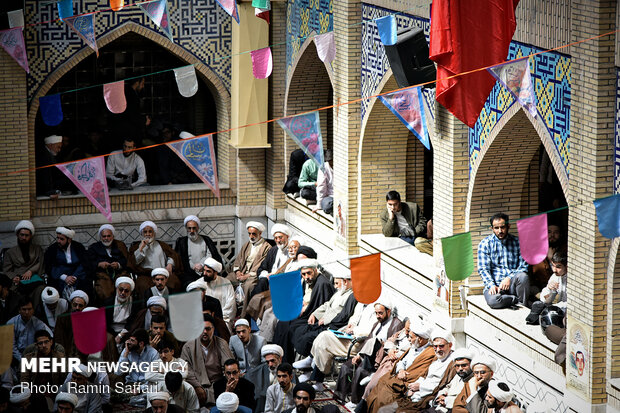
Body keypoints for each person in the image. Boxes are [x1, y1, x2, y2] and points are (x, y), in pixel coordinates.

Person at [308, 300, 402, 391]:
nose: (378, 316)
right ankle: (313, 359)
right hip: (358, 342)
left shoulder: (393, 323)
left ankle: (314, 365)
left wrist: (355, 331)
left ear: (388, 311)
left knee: (325, 339)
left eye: (380, 313)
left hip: (360, 343)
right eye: (376, 313)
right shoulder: (374, 316)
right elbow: (355, 318)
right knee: (324, 336)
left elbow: (371, 336)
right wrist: (351, 325)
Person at [362, 322, 436, 413]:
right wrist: (401, 370)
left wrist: (403, 375)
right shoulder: (413, 347)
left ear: (420, 339)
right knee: (377, 389)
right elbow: (401, 361)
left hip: (403, 385)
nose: (409, 339)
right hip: (397, 377)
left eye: (411, 337)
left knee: (383, 399)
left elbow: (417, 374)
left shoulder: (430, 353)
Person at [273, 258, 336, 364]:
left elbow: (321, 305)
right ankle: (279, 359)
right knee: (282, 324)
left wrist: (307, 309)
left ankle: (287, 362)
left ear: (315, 270)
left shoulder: (322, 284)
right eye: (304, 274)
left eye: (309, 273)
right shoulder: (306, 281)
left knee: (291, 328)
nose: (307, 277)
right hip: (304, 312)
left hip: (313, 317)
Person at [292, 271, 357, 360]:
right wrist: (314, 314)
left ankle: (309, 361)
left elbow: (342, 315)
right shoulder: (340, 292)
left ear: (345, 282)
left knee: (307, 338)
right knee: (299, 329)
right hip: (323, 321)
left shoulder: (351, 296)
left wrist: (325, 319)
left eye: (337, 283)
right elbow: (327, 304)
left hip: (331, 325)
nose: (335, 286)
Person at [477, 213, 530, 309]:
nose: (500, 231)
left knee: (523, 276)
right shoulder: (485, 244)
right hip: (495, 286)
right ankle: (515, 300)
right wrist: (491, 285)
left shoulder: (518, 243)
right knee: (493, 301)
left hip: (512, 284)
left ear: (508, 226)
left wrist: (509, 278)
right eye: (496, 228)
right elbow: (483, 269)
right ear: (492, 228)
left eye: (503, 227)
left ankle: (522, 303)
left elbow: (524, 266)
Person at [182, 313, 234, 406]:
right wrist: (197, 386)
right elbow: (186, 369)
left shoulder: (222, 344)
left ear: (213, 329)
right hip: (196, 385)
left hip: (218, 384)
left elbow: (228, 366)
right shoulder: (188, 346)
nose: (205, 332)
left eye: (208, 329)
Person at [129, 221, 182, 295]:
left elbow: (173, 255)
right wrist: (141, 249)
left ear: (154, 233)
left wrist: (170, 264)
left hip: (163, 273)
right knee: (142, 286)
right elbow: (134, 262)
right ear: (142, 233)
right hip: (146, 275)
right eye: (145, 232)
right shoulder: (136, 247)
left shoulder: (162, 245)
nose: (148, 234)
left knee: (174, 282)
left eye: (150, 231)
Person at [3, 220, 45, 309]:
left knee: (41, 290)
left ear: (30, 236)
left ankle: (34, 313)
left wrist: (31, 271)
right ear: (18, 235)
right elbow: (7, 270)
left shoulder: (37, 249)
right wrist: (15, 277)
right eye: (22, 235)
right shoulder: (10, 252)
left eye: (26, 235)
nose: (24, 238)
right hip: (18, 283)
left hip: (34, 281)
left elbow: (41, 263)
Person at [231, 221, 272, 314]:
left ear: (260, 233)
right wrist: (237, 272)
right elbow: (238, 259)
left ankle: (244, 315)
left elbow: (262, 265)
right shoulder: (247, 244)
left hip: (254, 275)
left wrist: (246, 276)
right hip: (242, 272)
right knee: (228, 280)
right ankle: (231, 312)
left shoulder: (266, 247)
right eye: (249, 233)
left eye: (254, 234)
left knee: (248, 286)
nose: (251, 236)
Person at [174, 215, 223, 288]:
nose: (192, 231)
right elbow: (182, 260)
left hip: (205, 270)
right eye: (189, 228)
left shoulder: (206, 240)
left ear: (198, 228)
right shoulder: (182, 242)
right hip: (188, 273)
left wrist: (202, 264)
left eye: (194, 228)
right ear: (186, 228)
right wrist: (193, 266)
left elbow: (210, 255)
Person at [86, 224, 129, 304]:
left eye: (108, 236)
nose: (106, 238)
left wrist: (118, 264)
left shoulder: (120, 245)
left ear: (112, 236)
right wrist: (99, 264)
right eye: (104, 236)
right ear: (101, 237)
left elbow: (126, 260)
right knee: (105, 292)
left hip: (119, 274)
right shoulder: (93, 247)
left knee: (123, 288)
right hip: (102, 275)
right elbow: (89, 263)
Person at [44, 227, 91, 298]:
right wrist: (65, 277)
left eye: (62, 239)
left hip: (77, 276)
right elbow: (50, 267)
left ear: (69, 240)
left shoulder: (78, 247)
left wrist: (74, 277)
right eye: (58, 238)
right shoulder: (52, 249)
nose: (58, 241)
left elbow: (84, 264)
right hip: (60, 277)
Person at [7, 296, 52, 364]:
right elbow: (12, 346)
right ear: (19, 310)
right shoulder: (11, 323)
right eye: (24, 309)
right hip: (15, 357)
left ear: (33, 310)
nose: (27, 312)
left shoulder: (38, 324)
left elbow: (42, 343)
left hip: (34, 355)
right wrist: (22, 360)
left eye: (29, 309)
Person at [245, 344, 287, 413]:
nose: (270, 364)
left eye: (272, 361)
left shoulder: (288, 372)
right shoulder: (258, 371)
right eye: (267, 362)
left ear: (280, 359)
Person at [104, 277, 142, 347]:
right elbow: (105, 323)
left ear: (130, 292)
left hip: (128, 330)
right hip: (110, 331)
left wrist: (121, 334)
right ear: (116, 289)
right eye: (121, 290)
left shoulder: (135, 303)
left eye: (126, 291)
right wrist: (114, 336)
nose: (123, 293)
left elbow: (133, 322)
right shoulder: (108, 302)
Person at [529, 223, 566, 291]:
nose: (552, 235)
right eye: (549, 232)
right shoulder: (536, 251)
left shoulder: (565, 250)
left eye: (556, 232)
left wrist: (551, 258)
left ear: (560, 235)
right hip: (540, 289)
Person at [202, 257, 235, 327]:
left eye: (208, 271)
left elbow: (231, 306)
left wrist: (219, 319)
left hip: (222, 320)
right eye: (204, 270)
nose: (204, 273)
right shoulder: (199, 284)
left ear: (215, 272)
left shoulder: (226, 283)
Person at [313, 149, 334, 215]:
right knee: (327, 206)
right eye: (329, 161)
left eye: (332, 160)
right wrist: (319, 205)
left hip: (341, 197)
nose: (331, 163)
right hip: (330, 197)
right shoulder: (323, 167)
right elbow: (321, 186)